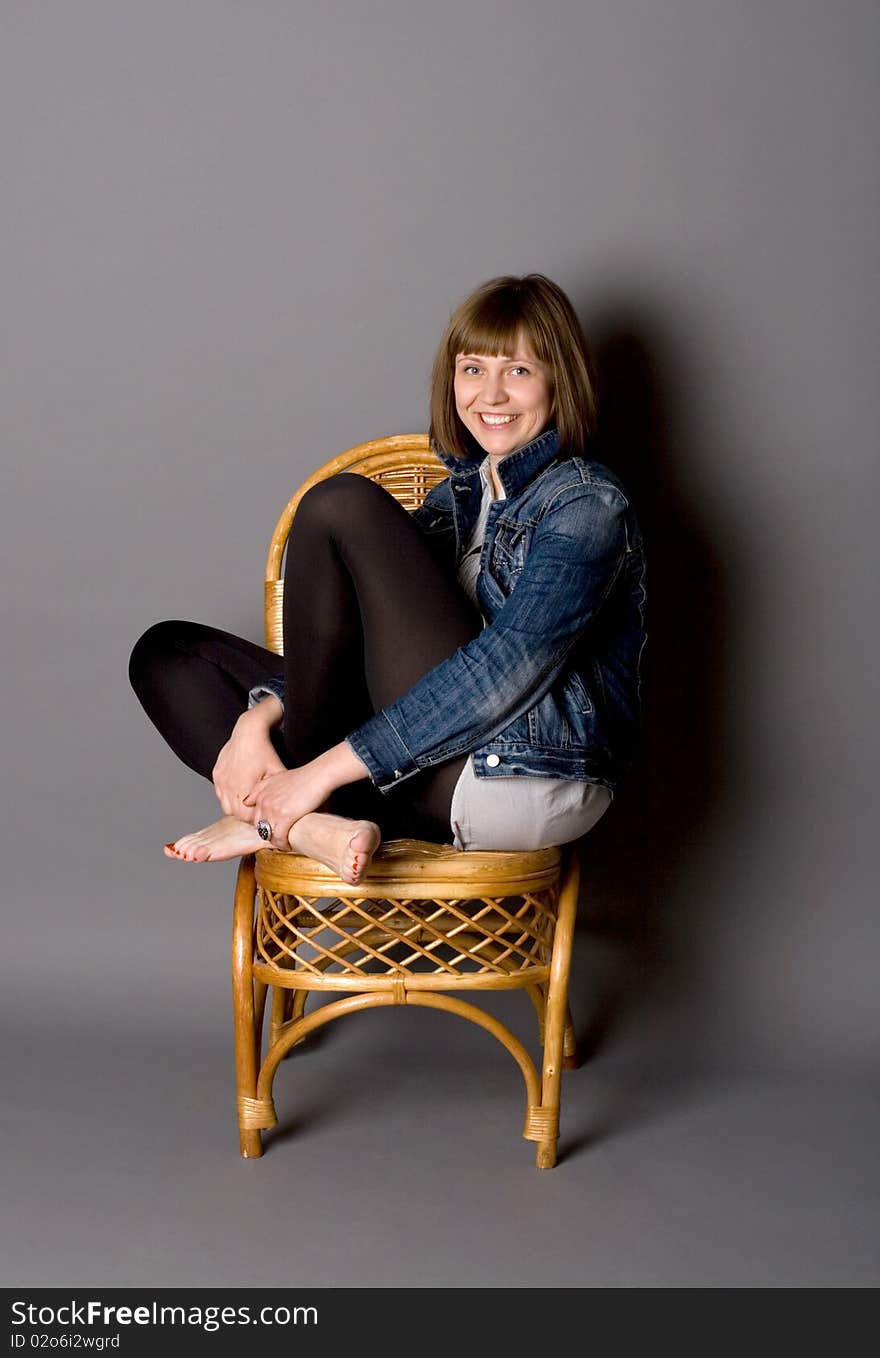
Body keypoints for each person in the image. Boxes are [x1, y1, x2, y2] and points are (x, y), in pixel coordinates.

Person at [129, 273, 646, 885]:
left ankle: (291, 815)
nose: (492, 394)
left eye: (520, 371)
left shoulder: (586, 505)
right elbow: (344, 655)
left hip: (516, 775)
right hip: (414, 769)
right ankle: (312, 827)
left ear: (560, 382)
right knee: (167, 653)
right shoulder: (460, 498)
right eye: (473, 369)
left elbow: (502, 670)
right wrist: (257, 718)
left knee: (339, 506)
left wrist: (315, 775)